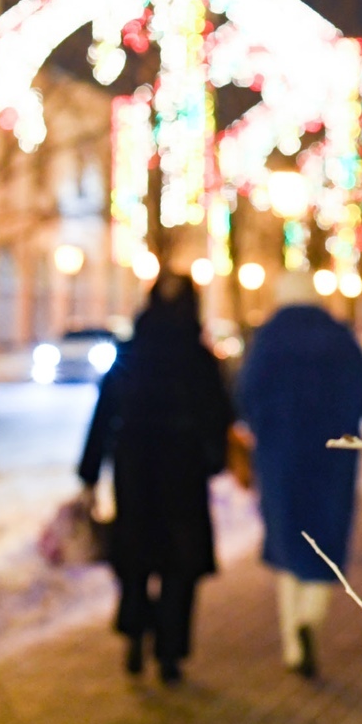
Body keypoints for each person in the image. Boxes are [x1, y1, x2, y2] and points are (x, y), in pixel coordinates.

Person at [78, 272, 234, 685]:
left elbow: (104, 412)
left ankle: (135, 632)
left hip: (136, 468)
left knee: (135, 555)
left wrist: (89, 470)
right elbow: (220, 413)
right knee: (180, 564)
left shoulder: (132, 352)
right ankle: (169, 653)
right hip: (183, 471)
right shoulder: (199, 358)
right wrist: (214, 459)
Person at [235, 271, 362, 678]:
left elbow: (244, 393)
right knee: (326, 542)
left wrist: (265, 423)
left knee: (288, 544)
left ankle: (291, 644)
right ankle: (309, 620)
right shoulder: (339, 338)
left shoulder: (268, 339)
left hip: (279, 458)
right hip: (332, 459)